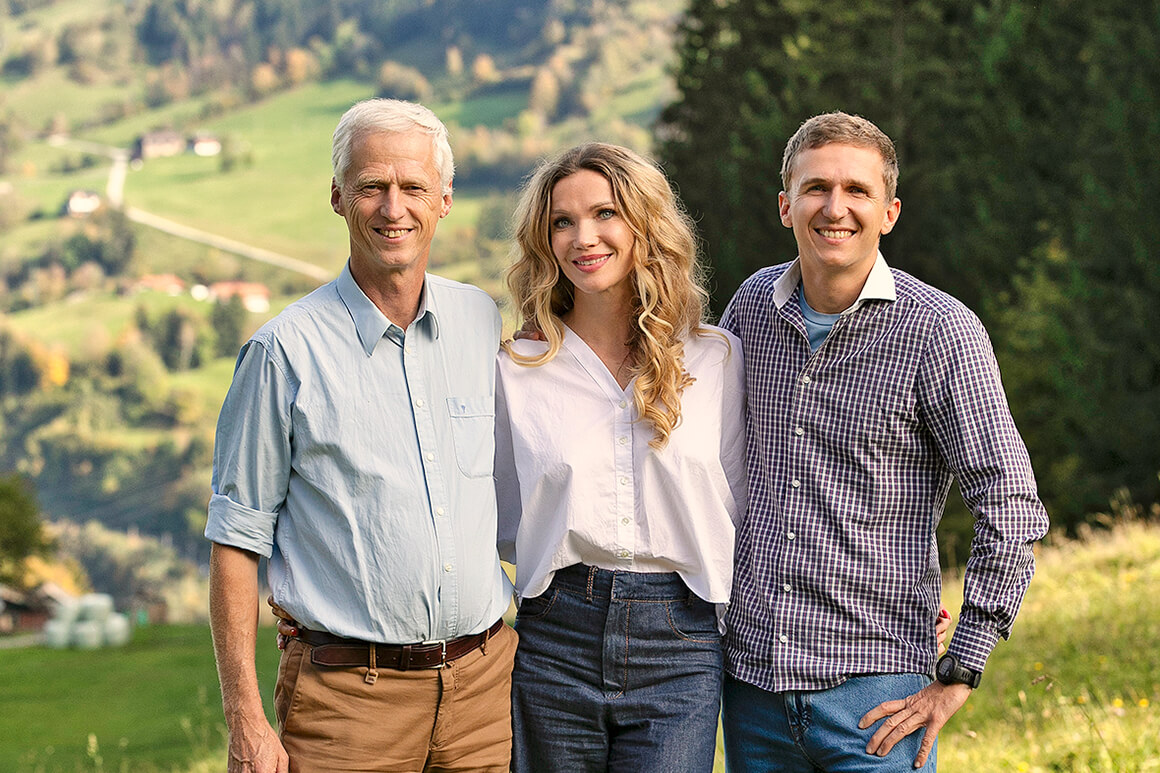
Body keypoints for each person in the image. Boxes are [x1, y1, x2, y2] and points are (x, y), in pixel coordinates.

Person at [718, 111, 1050, 772]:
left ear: (889, 211)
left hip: (876, 704)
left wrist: (963, 666)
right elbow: (707, 467)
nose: (833, 207)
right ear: (785, 205)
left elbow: (1010, 503)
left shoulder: (940, 331)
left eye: (856, 190)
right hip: (751, 692)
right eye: (815, 188)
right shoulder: (752, 306)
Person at [205, 98, 516, 773]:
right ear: (339, 197)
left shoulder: (478, 320)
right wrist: (247, 721)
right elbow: (235, 540)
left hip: (486, 694)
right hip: (348, 704)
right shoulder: (282, 352)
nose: (393, 207)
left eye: (412, 187)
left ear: (445, 199)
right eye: (373, 185)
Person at [494, 142, 748, 772]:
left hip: (681, 643)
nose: (585, 237)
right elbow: (500, 517)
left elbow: (743, 508)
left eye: (605, 213)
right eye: (562, 221)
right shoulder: (517, 369)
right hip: (555, 635)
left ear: (645, 225)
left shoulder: (715, 359)